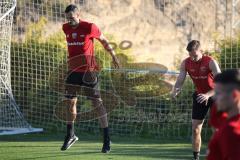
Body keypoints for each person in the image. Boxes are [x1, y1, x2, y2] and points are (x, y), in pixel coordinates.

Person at [61, 4, 120, 153]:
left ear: (78, 15)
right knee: (69, 103)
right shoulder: (65, 28)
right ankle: (71, 135)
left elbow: (104, 41)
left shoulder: (90, 27)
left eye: (72, 18)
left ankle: (107, 139)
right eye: (67, 19)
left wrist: (114, 57)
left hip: (89, 73)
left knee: (97, 104)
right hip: (72, 72)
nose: (70, 21)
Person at [171, 40, 221, 160]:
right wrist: (175, 89)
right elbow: (180, 80)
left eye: (195, 55)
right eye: (190, 55)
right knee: (195, 129)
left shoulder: (211, 62)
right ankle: (196, 157)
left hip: (216, 96)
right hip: (199, 96)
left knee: (218, 129)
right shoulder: (186, 63)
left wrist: (208, 95)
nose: (193, 58)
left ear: (201, 51)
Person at [207, 69, 240, 160]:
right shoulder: (227, 122)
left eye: (218, 93)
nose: (214, 97)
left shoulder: (231, 129)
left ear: (234, 95)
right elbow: (214, 120)